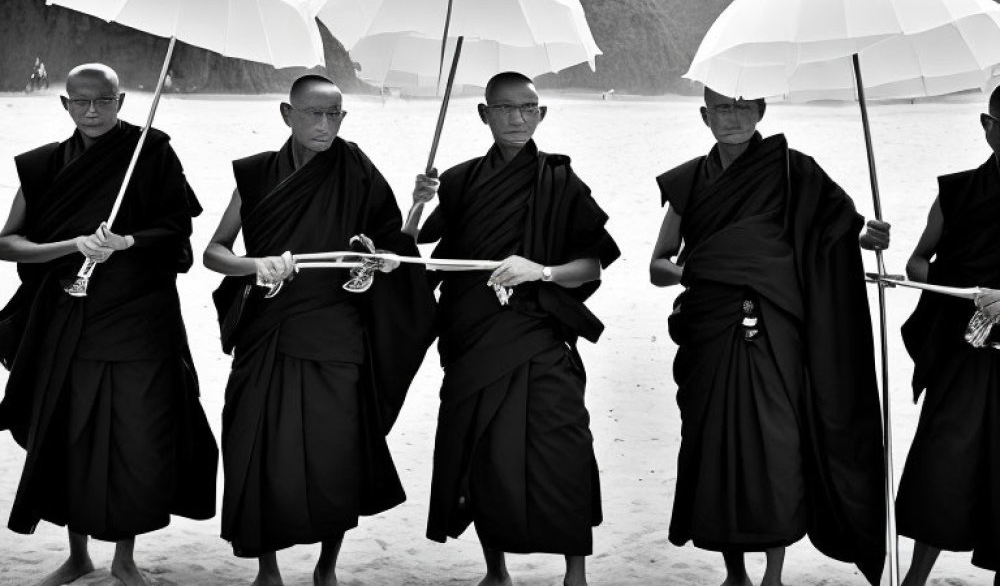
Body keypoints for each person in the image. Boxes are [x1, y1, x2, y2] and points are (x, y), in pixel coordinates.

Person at [649, 87, 891, 586]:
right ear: (703, 115)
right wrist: (703, 269)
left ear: (761, 111)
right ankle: (734, 572)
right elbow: (659, 265)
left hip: (777, 333)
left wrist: (868, 239)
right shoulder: (690, 181)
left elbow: (835, 235)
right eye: (720, 108)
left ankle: (773, 575)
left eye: (742, 107)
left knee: (779, 448)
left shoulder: (795, 172)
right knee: (714, 447)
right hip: (709, 333)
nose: (731, 118)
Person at [204, 74, 436, 586]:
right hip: (267, 332)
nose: (324, 124)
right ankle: (268, 570)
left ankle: (326, 569)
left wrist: (414, 213)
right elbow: (215, 253)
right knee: (254, 444)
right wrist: (257, 264)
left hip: (336, 333)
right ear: (287, 115)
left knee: (336, 453)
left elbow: (392, 245)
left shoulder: (357, 170)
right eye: (313, 113)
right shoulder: (259, 175)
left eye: (334, 115)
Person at [0, 63, 217, 586]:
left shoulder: (152, 153)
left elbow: (178, 238)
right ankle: (78, 556)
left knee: (135, 438)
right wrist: (71, 245)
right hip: (66, 320)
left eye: (103, 100)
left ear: (122, 100)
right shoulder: (44, 165)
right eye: (80, 101)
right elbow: (8, 243)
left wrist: (128, 243)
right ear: (65, 105)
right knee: (69, 434)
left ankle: (124, 557)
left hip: (140, 321)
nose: (92, 111)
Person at [407, 71, 620, 586]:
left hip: (539, 335)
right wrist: (417, 199)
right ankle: (495, 571)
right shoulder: (456, 181)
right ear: (483, 114)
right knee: (483, 452)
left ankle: (575, 573)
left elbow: (591, 265)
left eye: (529, 108)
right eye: (504, 108)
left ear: (541, 114)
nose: (518, 118)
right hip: (473, 336)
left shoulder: (560, 180)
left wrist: (539, 270)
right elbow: (413, 251)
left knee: (563, 446)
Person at [896, 85, 1000, 585]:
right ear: (987, 126)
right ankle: (915, 578)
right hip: (966, 346)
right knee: (943, 457)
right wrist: (956, 290)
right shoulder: (957, 192)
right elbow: (917, 261)